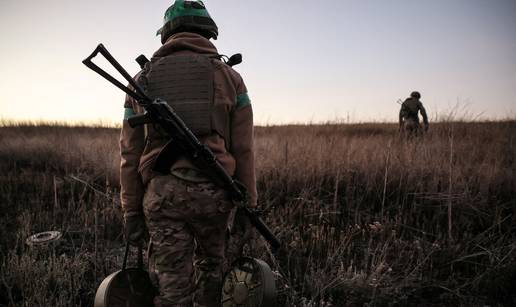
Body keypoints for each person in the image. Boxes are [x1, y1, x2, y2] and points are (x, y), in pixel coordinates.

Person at [119, 1, 257, 306]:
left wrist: (130, 210)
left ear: (167, 33)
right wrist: (248, 204)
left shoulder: (140, 81)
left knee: (172, 288)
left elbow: (130, 154)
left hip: (161, 196)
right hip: (215, 192)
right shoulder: (231, 78)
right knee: (211, 273)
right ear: (208, 31)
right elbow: (244, 150)